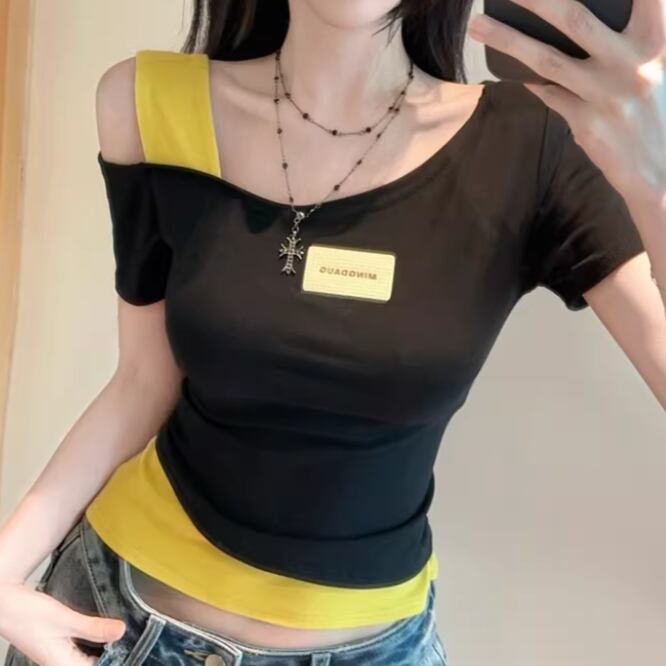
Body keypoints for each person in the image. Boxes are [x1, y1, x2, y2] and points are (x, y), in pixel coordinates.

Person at [0, 0, 656, 664]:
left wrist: (655, 182)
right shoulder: (149, 104)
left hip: (374, 645)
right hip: (121, 621)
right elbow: (143, 380)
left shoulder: (529, 143)